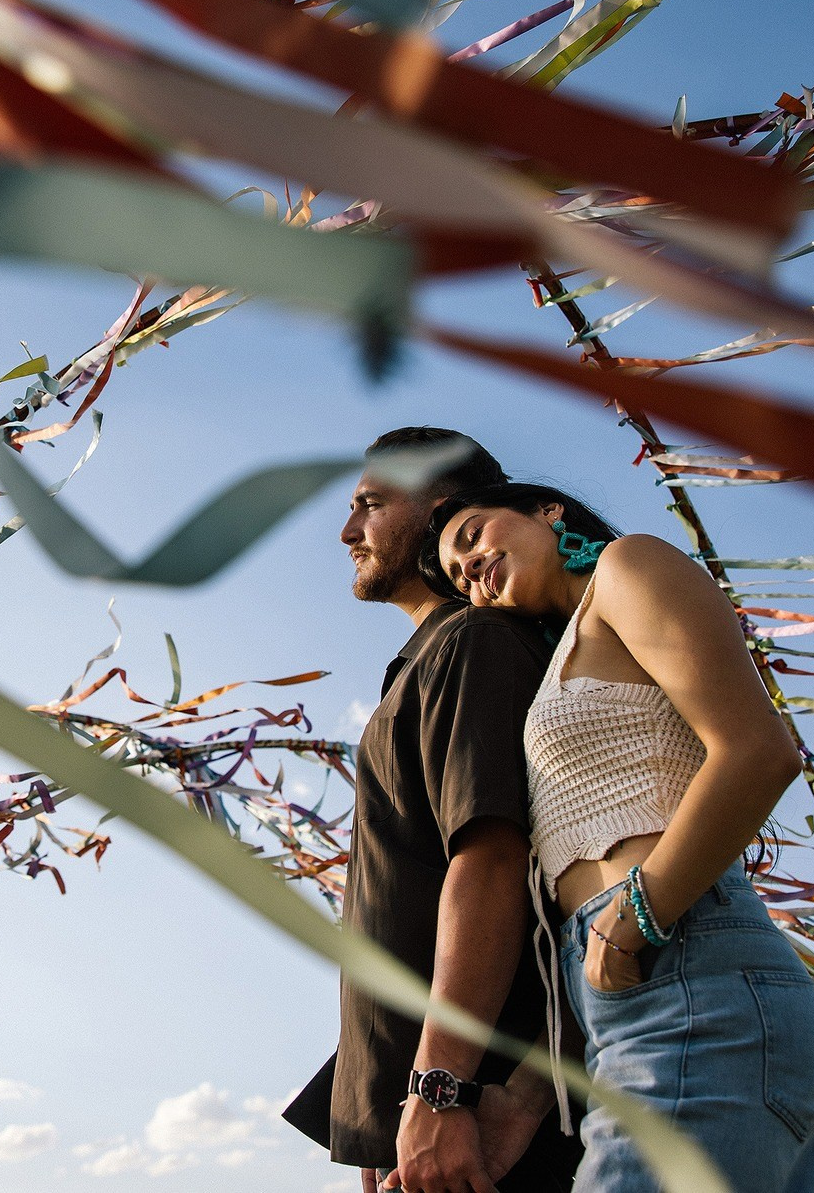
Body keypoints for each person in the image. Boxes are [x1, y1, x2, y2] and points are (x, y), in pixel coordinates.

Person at [430, 482, 814, 1193]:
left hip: (694, 979)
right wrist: (529, 1091)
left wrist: (631, 920)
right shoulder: (564, 654)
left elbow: (755, 750)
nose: (473, 571)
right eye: (462, 578)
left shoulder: (629, 565)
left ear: (548, 511)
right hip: (646, 1005)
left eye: (473, 538)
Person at [283, 428, 584, 1193]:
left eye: (371, 505)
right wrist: (382, 1116)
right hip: (421, 1122)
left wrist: (440, 1091)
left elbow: (490, 861)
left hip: (483, 1119)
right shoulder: (428, 661)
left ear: (441, 512)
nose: (348, 531)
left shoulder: (474, 642)